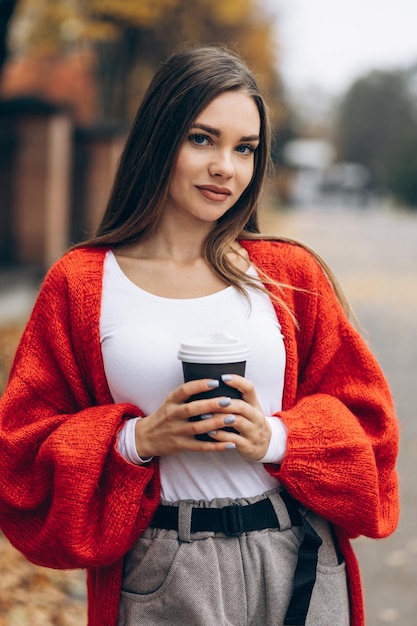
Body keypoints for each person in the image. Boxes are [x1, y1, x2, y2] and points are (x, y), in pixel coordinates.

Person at [0, 45, 399, 626]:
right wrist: (138, 440)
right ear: (159, 140)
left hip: (298, 558)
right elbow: (20, 460)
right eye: (202, 139)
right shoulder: (83, 283)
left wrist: (278, 439)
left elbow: (373, 434)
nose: (226, 168)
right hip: (161, 566)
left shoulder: (288, 277)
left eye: (245, 149)